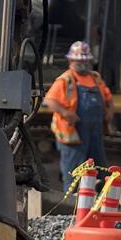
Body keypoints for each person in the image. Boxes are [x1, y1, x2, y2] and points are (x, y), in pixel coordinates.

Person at [43, 41, 112, 184]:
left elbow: (108, 97)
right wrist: (66, 113)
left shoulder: (95, 78)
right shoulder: (66, 79)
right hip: (73, 132)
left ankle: (99, 197)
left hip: (94, 131)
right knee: (73, 168)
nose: (83, 64)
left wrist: (110, 111)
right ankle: (71, 200)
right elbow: (50, 100)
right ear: (70, 60)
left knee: (98, 165)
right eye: (79, 61)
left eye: (85, 61)